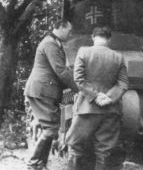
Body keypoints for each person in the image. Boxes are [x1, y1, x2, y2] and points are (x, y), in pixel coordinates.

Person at [66, 26, 129, 170]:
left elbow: (79, 79)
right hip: (111, 110)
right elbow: (123, 83)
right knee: (104, 150)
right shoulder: (118, 57)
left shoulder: (83, 52)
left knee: (75, 146)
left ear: (93, 37)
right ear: (109, 39)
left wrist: (95, 96)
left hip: (86, 109)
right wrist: (109, 98)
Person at [24, 19, 79, 170]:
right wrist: (79, 89)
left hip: (45, 90)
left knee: (50, 128)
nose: (70, 34)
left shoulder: (54, 43)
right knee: (50, 129)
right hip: (42, 90)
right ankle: (33, 164)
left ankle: (40, 164)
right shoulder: (50, 43)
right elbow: (61, 71)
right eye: (68, 30)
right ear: (60, 27)